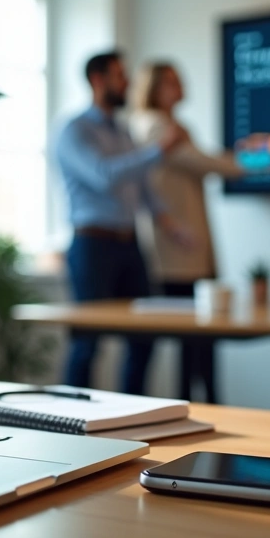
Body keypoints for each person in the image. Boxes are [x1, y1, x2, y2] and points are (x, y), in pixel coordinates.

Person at [55, 50, 188, 395]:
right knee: (88, 342)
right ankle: (73, 427)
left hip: (129, 244)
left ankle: (132, 415)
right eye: (119, 75)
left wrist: (171, 225)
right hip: (92, 246)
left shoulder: (124, 131)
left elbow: (142, 186)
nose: (127, 82)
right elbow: (105, 175)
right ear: (97, 80)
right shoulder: (74, 131)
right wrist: (159, 150)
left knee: (144, 336)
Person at [128, 61, 252, 403]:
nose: (179, 86)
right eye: (169, 82)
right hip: (176, 253)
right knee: (192, 341)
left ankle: (207, 408)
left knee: (200, 344)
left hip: (192, 250)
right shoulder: (154, 126)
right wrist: (253, 161)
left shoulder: (176, 126)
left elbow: (202, 159)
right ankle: (200, 410)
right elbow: (203, 163)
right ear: (153, 87)